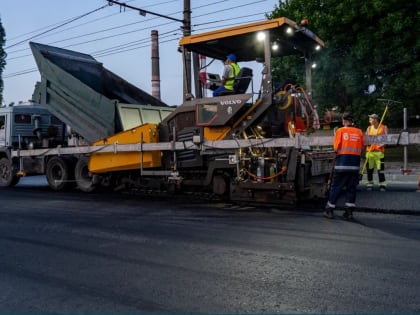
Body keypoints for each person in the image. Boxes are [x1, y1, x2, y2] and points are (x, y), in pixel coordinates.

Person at [324, 113, 364, 220]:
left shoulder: (340, 131)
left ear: (344, 120)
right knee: (351, 189)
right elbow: (361, 147)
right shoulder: (359, 132)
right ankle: (349, 212)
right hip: (354, 165)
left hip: (342, 164)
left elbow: (336, 147)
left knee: (336, 187)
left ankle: (329, 210)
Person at [365, 113, 388, 191]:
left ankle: (382, 184)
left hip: (379, 153)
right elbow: (366, 140)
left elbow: (386, 139)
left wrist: (381, 144)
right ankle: (369, 183)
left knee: (380, 170)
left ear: (375, 120)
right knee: (369, 170)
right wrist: (368, 142)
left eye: (370, 119)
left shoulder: (383, 127)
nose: (369, 120)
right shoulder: (368, 128)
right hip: (370, 152)